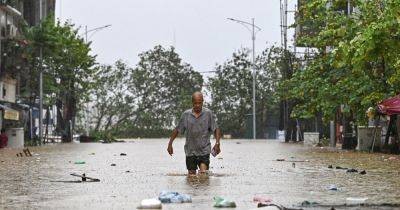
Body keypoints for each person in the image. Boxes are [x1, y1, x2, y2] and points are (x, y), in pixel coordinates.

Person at [167, 91, 221, 175]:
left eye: (199, 103)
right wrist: (170, 144)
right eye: (195, 103)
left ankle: (204, 187)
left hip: (204, 150)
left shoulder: (208, 114)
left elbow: (216, 129)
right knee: (191, 177)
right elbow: (177, 130)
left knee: (203, 175)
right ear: (192, 103)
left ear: (203, 102)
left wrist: (217, 143)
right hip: (190, 151)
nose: (197, 105)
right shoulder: (186, 115)